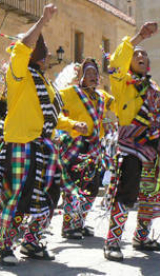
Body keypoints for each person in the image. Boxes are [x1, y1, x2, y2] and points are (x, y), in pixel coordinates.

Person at [0, 3, 88, 265]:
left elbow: (50, 117)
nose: (46, 57)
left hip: (45, 146)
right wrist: (43, 21)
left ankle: (32, 241)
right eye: (42, 53)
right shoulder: (18, 74)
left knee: (49, 196)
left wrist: (70, 125)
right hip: (21, 142)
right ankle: (3, 245)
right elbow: (22, 49)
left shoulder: (45, 83)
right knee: (19, 198)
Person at [104, 22, 160, 261]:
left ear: (148, 65)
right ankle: (113, 241)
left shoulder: (155, 89)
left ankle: (141, 236)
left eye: (144, 55)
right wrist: (138, 37)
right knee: (126, 192)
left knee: (149, 194)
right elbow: (114, 63)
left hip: (151, 147)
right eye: (136, 54)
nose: (140, 56)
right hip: (129, 145)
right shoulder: (121, 83)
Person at [58, 58, 115, 239]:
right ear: (81, 76)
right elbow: (54, 109)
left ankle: (79, 222)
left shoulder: (101, 96)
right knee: (74, 186)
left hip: (94, 147)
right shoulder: (68, 93)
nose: (92, 76)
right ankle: (68, 226)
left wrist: (108, 124)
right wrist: (71, 124)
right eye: (88, 73)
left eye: (94, 73)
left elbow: (106, 115)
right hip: (75, 144)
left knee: (92, 186)